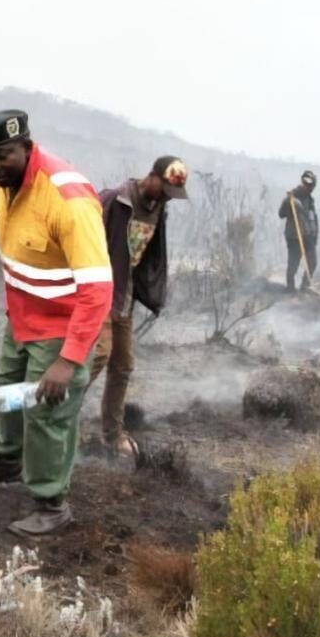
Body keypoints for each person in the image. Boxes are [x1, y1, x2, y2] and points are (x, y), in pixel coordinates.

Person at [0, 110, 111, 536]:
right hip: (22, 318)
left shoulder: (68, 199)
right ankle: (5, 462)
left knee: (46, 412)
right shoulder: (3, 185)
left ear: (27, 147)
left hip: (61, 326)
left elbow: (98, 290)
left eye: (3, 155)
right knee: (10, 394)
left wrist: (69, 359)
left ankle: (51, 503)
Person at [88, 156, 188, 459]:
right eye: (164, 190)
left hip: (125, 299)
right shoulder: (114, 199)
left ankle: (112, 434)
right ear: (152, 177)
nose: (165, 199)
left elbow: (148, 256)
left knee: (123, 365)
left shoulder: (159, 209)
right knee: (96, 357)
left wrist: (151, 292)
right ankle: (57, 423)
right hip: (98, 295)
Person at [279, 170, 319, 291]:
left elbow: (313, 218)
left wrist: (315, 235)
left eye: (312, 185)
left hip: (308, 237)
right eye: (307, 183)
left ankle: (304, 287)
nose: (309, 187)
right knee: (293, 265)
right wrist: (287, 202)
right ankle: (290, 288)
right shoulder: (292, 197)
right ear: (303, 182)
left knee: (312, 262)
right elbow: (281, 214)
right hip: (295, 237)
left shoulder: (310, 200)